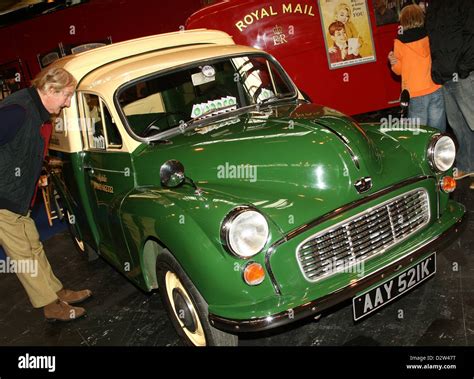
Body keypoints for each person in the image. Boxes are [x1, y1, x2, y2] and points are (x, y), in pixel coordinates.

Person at [0, 66, 92, 321]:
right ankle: (50, 305)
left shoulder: (35, 111)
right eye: (66, 95)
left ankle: (57, 291)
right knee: (24, 257)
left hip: (18, 198)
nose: (68, 102)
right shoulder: (17, 111)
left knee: (34, 246)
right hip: (3, 200)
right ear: (50, 90)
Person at [426, 0, 474, 186]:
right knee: (458, 125)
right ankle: (468, 165)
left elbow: (471, 34)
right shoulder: (434, 6)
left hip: (463, 73)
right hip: (445, 75)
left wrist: (463, 67)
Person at [388, 4, 446, 132]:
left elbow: (399, 70)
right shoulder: (429, 35)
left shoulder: (400, 41)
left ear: (403, 20)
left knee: (419, 132)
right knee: (437, 131)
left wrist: (393, 63)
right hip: (435, 87)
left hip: (415, 93)